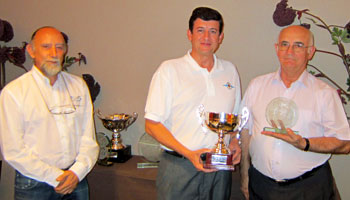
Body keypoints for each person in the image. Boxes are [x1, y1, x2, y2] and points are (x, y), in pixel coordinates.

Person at [240, 25, 350, 200]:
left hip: (309, 188)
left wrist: (305, 143)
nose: (289, 51)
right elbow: (245, 132)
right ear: (277, 49)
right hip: (261, 187)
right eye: (284, 44)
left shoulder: (325, 93)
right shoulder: (256, 86)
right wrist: (245, 176)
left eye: (298, 45)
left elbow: (345, 144)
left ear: (310, 52)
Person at [145, 7, 242, 200]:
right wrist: (190, 154)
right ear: (189, 34)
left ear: (221, 37)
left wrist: (235, 142)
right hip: (179, 167)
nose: (206, 37)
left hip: (219, 169)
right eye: (200, 30)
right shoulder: (169, 70)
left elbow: (234, 118)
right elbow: (152, 125)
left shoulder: (230, 71)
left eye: (213, 31)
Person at [0, 26, 99, 200]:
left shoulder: (78, 86)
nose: (54, 53)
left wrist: (77, 172)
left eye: (59, 47)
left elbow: (88, 138)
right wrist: (55, 177)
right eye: (46, 46)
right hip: (34, 183)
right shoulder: (14, 92)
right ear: (31, 50)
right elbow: (13, 150)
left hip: (76, 179)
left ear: (65, 51)